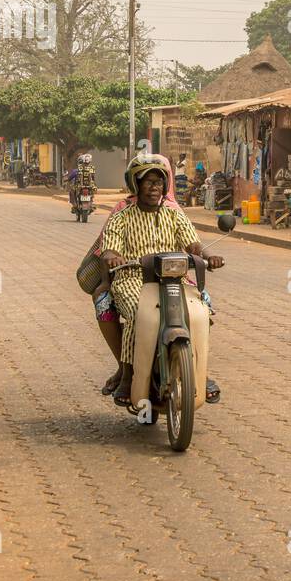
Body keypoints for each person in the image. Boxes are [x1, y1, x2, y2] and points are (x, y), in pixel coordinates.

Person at [97, 155, 224, 406]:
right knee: (138, 313)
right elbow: (109, 248)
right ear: (136, 184)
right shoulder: (122, 216)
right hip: (133, 278)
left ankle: (199, 371)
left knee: (201, 310)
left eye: (158, 183)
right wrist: (113, 258)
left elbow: (194, 245)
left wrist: (211, 256)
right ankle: (129, 374)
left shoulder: (174, 214)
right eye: (148, 182)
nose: (154, 188)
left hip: (174, 279)